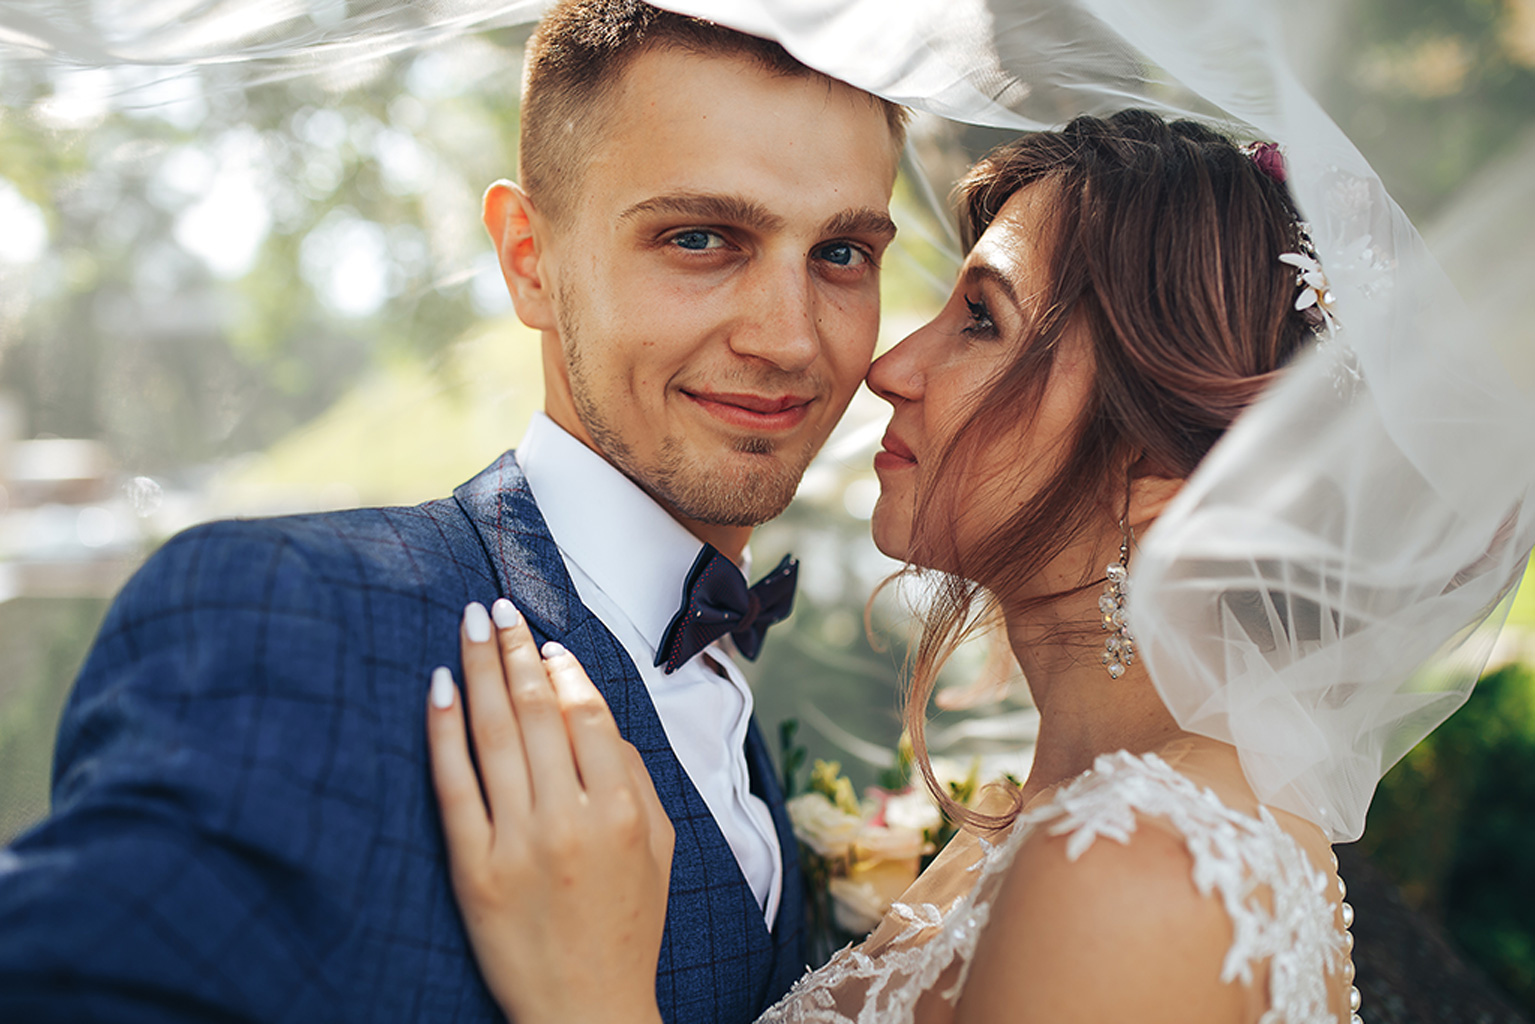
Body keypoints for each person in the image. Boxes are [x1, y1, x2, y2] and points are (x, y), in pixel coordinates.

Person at [0, 3, 905, 1022]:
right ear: (528, 258)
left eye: (840, 254)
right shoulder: (295, 621)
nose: (789, 340)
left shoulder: (731, 680)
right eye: (699, 238)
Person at [427, 111, 1383, 1024]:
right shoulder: (1064, 817)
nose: (889, 366)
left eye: (981, 321)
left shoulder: (1132, 870)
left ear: (1154, 471)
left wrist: (589, 999)